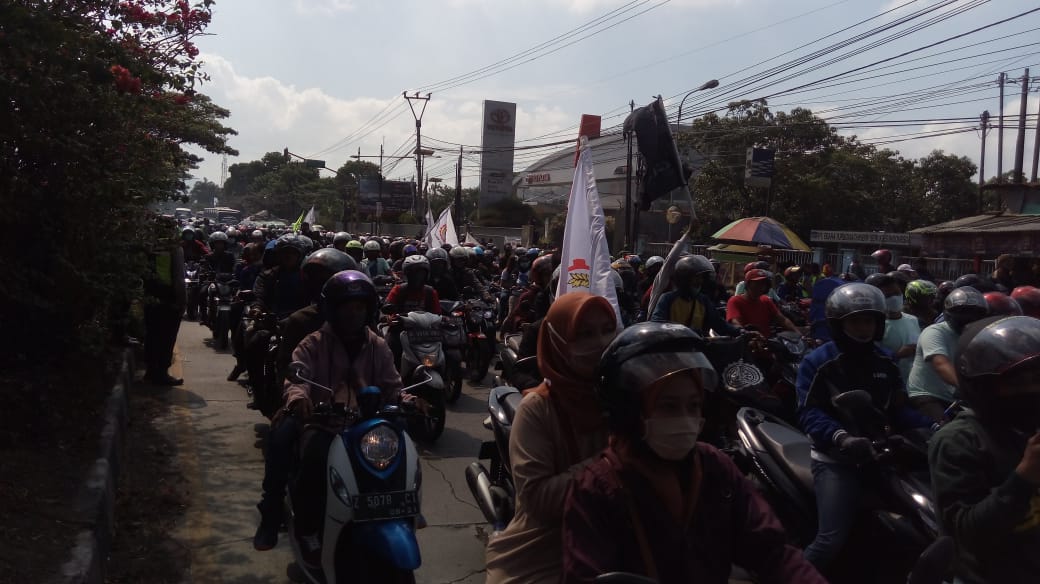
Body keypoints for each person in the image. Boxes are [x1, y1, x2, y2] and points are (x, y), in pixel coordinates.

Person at [562, 322, 826, 584]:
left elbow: (774, 552)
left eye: (693, 406)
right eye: (668, 406)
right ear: (631, 413)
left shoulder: (716, 468)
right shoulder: (597, 488)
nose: (685, 420)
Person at [253, 271, 407, 559]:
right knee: (289, 441)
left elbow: (392, 385)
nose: (354, 314)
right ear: (332, 310)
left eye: (360, 308)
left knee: (403, 448)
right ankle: (283, 517)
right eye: (347, 307)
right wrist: (299, 399)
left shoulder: (378, 345)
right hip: (324, 423)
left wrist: (410, 400)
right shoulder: (313, 342)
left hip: (366, 425)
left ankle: (401, 511)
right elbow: (297, 377)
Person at [796, 283, 936, 573]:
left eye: (869, 320)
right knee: (830, 540)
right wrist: (842, 437)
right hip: (837, 460)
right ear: (839, 324)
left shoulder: (885, 360)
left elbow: (899, 409)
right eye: (856, 321)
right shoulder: (820, 362)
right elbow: (809, 412)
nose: (864, 327)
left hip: (882, 456)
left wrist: (936, 426)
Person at [485, 292, 617, 584]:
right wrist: (613, 461)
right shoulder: (538, 410)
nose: (600, 343)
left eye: (608, 330)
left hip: (623, 539)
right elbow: (538, 500)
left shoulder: (627, 394)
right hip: (544, 549)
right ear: (559, 342)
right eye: (583, 334)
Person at [928, 315, 1040, 584]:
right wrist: (1024, 476)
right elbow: (966, 534)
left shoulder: (1030, 427)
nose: (1032, 390)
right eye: (1016, 383)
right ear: (983, 386)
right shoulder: (960, 441)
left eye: (1038, 379)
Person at [907, 286, 989, 423]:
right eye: (964, 312)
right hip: (928, 395)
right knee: (947, 430)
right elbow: (941, 364)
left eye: (975, 314)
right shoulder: (934, 332)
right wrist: (968, 388)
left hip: (958, 397)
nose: (970, 318)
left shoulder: (979, 336)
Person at [143, 218, 186, 385]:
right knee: (166, 337)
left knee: (152, 334)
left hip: (151, 296)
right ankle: (161, 372)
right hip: (169, 298)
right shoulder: (174, 249)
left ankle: (150, 371)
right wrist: (182, 301)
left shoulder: (148, 247)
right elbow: (178, 278)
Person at [651, 254, 738, 337]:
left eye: (700, 277)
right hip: (673, 348)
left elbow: (719, 324)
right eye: (695, 277)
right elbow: (658, 324)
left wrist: (740, 331)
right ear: (684, 279)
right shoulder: (667, 299)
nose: (699, 281)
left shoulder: (703, 300)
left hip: (696, 349)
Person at [867, 273, 919, 386]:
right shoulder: (874, 326)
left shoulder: (913, 320)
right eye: (888, 296)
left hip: (912, 384)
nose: (894, 298)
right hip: (887, 384)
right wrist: (897, 355)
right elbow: (869, 359)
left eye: (897, 293)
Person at [726, 268, 800, 337]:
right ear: (748, 285)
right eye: (757, 283)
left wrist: (798, 334)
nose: (760, 286)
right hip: (747, 343)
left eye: (762, 284)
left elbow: (782, 319)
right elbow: (735, 322)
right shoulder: (735, 301)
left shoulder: (766, 300)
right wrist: (745, 332)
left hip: (767, 343)